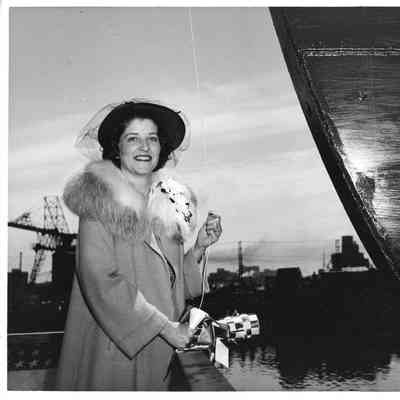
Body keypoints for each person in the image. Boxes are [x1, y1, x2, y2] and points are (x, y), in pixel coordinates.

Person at [55, 100, 222, 390]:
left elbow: (171, 285)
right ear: (117, 148)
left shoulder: (168, 207)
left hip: (161, 350)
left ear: (162, 148)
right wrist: (166, 328)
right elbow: (101, 280)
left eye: (152, 139)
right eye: (133, 138)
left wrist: (198, 248)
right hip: (114, 350)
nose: (144, 147)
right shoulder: (98, 202)